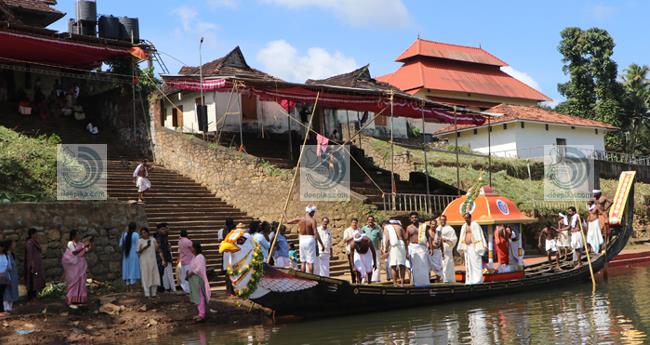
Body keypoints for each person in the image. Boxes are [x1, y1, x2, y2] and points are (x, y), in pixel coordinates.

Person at [284, 205, 324, 274]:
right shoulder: (312, 220)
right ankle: (311, 277)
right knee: (310, 262)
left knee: (303, 261)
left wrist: (284, 213)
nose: (314, 214)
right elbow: (315, 232)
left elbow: (287, 221)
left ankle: (303, 277)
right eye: (313, 212)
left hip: (302, 239)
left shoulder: (300, 219)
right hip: (310, 239)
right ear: (311, 212)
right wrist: (321, 244)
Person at [62, 230, 91, 308]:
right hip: (73, 267)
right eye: (77, 235)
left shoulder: (80, 244)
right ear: (73, 236)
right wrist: (83, 247)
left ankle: (79, 299)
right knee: (73, 283)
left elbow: (85, 251)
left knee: (81, 282)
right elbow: (74, 252)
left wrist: (88, 245)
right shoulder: (70, 243)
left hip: (80, 267)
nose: (79, 237)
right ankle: (71, 300)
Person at [457, 213, 487, 285]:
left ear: (470, 218)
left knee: (476, 263)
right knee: (468, 265)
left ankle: (477, 280)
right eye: (465, 218)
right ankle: (470, 280)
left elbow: (480, 235)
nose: (466, 219)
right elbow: (462, 237)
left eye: (467, 218)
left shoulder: (475, 225)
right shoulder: (464, 226)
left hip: (475, 247)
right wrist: (461, 247)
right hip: (467, 247)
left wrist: (483, 245)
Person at [187, 241, 211, 322]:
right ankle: (200, 313)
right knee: (197, 296)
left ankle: (202, 314)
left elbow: (199, 268)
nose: (191, 249)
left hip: (198, 279)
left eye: (192, 247)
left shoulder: (200, 257)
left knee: (200, 296)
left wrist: (191, 273)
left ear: (196, 248)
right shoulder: (194, 257)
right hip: (194, 279)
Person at [406, 212, 430, 287]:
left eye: (415, 217)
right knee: (414, 267)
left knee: (423, 265)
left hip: (422, 247)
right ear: (410, 219)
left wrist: (429, 246)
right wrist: (406, 251)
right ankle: (415, 283)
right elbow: (407, 239)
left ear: (418, 217)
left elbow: (428, 237)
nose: (414, 219)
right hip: (413, 247)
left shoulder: (423, 226)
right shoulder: (409, 227)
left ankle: (425, 282)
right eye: (412, 218)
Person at [383, 219, 407, 287]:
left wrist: (386, 249)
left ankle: (395, 283)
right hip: (401, 244)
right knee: (402, 265)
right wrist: (406, 248)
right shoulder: (400, 227)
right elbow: (405, 238)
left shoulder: (387, 227)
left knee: (393, 265)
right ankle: (402, 283)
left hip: (393, 245)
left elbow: (387, 239)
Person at [137, 228, 161, 298]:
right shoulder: (140, 241)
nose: (143, 234)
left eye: (144, 232)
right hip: (144, 262)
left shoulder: (153, 239)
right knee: (145, 276)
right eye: (142, 233)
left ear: (148, 232)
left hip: (153, 261)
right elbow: (138, 252)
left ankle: (154, 293)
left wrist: (158, 244)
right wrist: (145, 247)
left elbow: (156, 249)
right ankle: (147, 294)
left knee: (154, 276)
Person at [24, 228, 45, 300]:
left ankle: (35, 295)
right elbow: (30, 255)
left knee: (36, 279)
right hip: (32, 267)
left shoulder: (35, 242)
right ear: (32, 234)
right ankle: (31, 297)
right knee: (32, 280)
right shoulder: (30, 243)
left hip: (37, 266)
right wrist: (32, 266)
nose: (37, 235)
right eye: (35, 234)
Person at [119, 222, 141, 291]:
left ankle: (128, 288)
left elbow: (120, 245)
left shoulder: (124, 235)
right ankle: (133, 288)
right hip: (134, 255)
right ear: (135, 228)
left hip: (126, 255)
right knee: (133, 270)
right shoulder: (136, 235)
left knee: (127, 269)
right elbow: (139, 245)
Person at [362, 215, 383, 282]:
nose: (370, 221)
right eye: (369, 220)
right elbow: (361, 237)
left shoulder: (378, 228)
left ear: (374, 220)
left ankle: (375, 279)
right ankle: (366, 278)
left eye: (372, 220)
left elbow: (381, 238)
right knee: (366, 263)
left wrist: (382, 247)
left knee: (376, 263)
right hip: (366, 249)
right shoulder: (364, 228)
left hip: (376, 248)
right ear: (367, 221)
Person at [437, 215, 457, 283]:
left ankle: (448, 279)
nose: (442, 221)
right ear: (439, 220)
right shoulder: (438, 228)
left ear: (446, 220)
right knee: (441, 265)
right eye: (441, 219)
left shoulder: (450, 229)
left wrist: (445, 239)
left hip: (447, 249)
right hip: (439, 249)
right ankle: (441, 279)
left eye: (444, 219)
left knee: (447, 265)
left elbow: (454, 239)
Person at [156, 224, 176, 293]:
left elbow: (168, 231)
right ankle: (170, 288)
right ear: (158, 230)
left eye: (164, 229)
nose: (164, 230)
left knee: (168, 274)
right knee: (166, 275)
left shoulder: (164, 236)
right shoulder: (159, 238)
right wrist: (163, 260)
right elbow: (159, 250)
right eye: (162, 229)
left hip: (167, 257)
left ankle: (169, 288)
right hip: (163, 258)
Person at [2, 240, 18, 313]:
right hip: (8, 275)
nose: (14, 245)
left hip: (13, 275)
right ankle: (6, 307)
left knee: (12, 289)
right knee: (7, 290)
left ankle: (10, 307)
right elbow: (8, 266)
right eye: (13, 244)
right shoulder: (7, 254)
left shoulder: (11, 254)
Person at [0, 241, 9, 317]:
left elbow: (7, 266)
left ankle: (2, 310)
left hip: (4, 278)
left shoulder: (6, 255)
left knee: (2, 294)